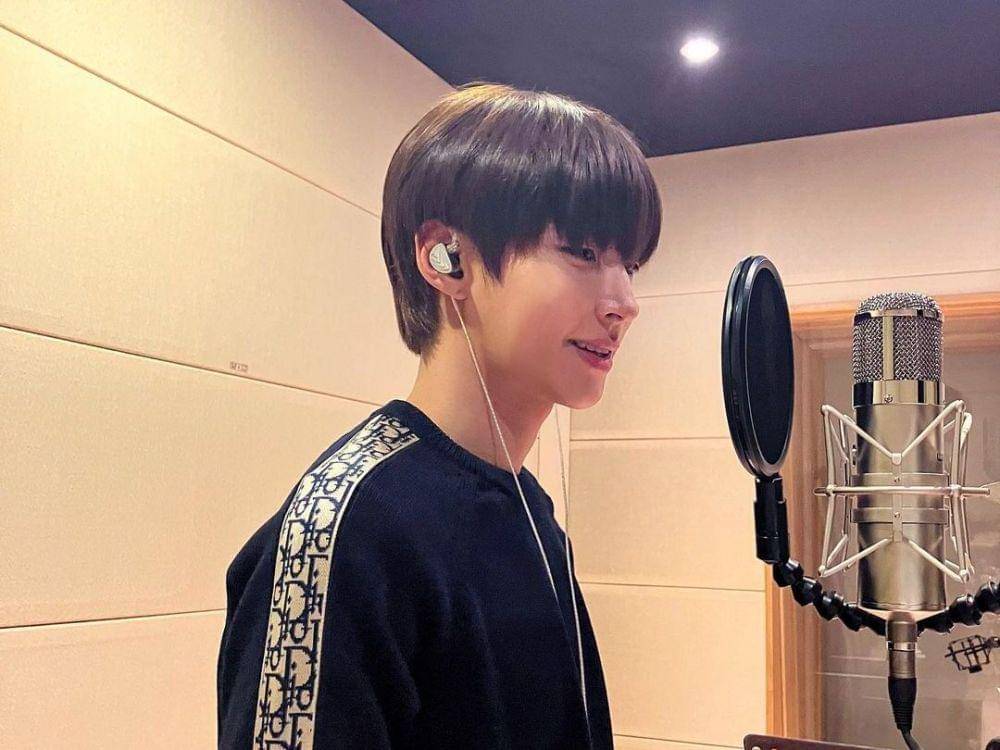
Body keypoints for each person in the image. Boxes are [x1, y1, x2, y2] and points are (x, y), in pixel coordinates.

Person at [216, 81, 662, 749]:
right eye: (584, 252)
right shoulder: (341, 532)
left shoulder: (530, 511)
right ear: (445, 258)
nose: (624, 302)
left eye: (630, 264)